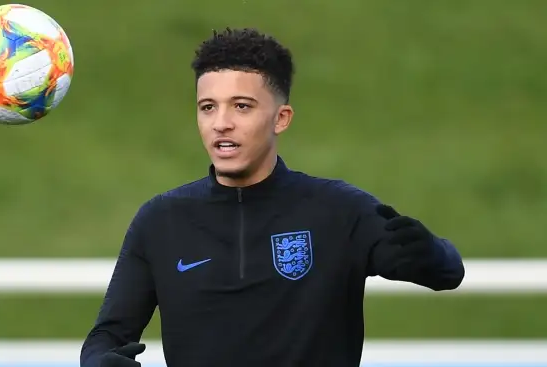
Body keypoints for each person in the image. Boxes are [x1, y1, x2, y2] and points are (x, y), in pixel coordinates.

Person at [79, 27, 465, 367]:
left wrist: (429, 252)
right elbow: (106, 336)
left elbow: (447, 273)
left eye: (242, 106)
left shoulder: (339, 210)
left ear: (281, 118)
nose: (221, 123)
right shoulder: (160, 221)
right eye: (207, 107)